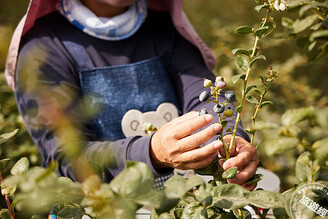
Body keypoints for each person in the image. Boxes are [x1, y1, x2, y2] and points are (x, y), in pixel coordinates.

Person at [5, 0, 259, 190]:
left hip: (181, 199)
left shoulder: (163, 29)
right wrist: (151, 152)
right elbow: (67, 159)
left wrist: (229, 136)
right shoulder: (44, 49)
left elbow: (205, 95)